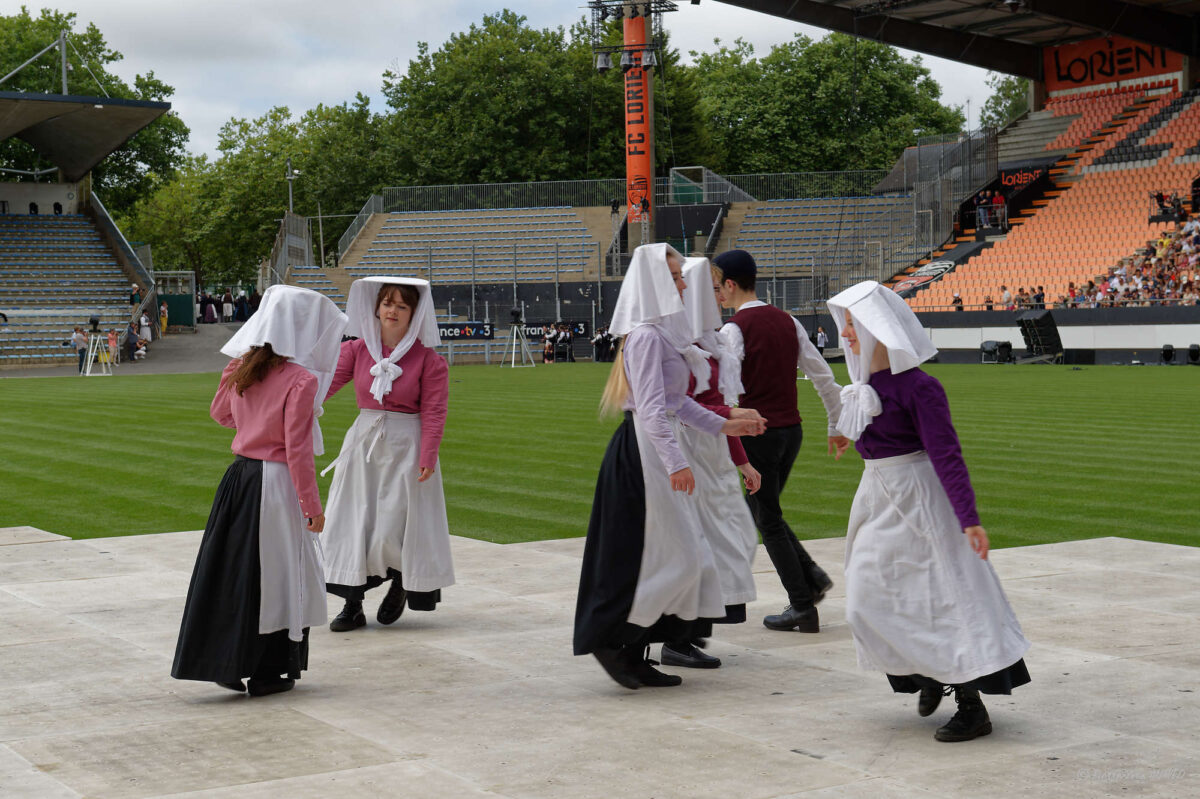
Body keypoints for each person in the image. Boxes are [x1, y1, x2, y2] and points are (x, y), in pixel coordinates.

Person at [827, 280, 1030, 743]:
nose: (846, 335)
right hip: (877, 497)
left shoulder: (921, 387)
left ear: (877, 327)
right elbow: (868, 432)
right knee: (865, 600)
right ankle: (927, 673)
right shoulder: (864, 386)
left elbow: (946, 454)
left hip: (920, 500)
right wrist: (845, 435)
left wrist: (968, 518)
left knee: (943, 596)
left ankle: (971, 706)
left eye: (853, 326)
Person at [573, 243, 764, 689]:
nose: (683, 284)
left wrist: (724, 425)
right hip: (645, 454)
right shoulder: (645, 337)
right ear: (656, 282)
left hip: (655, 449)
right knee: (663, 554)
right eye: (675, 277)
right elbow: (652, 410)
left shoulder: (664, 336)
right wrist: (677, 463)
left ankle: (635, 649)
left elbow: (678, 403)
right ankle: (617, 644)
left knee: (672, 555)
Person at [172, 285, 348, 696]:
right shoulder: (300, 380)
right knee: (279, 575)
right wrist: (313, 506)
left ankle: (227, 659)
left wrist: (252, 421)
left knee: (234, 569)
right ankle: (268, 670)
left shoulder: (241, 366)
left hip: (241, 478)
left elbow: (220, 414)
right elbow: (297, 450)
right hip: (277, 484)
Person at [712, 249, 847, 633]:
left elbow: (727, 388)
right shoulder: (789, 321)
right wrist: (835, 426)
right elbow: (823, 376)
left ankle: (803, 603)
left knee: (766, 518)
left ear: (731, 284)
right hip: (791, 432)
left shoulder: (733, 330)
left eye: (718, 287)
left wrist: (721, 423)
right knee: (762, 511)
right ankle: (811, 579)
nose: (717, 294)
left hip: (759, 433)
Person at [321, 277, 454, 632]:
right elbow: (323, 386)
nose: (392, 310)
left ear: (414, 313)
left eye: (402, 305)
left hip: (407, 445)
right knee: (353, 520)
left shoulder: (428, 360)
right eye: (387, 303)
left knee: (394, 523)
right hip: (364, 442)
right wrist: (292, 401)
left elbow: (434, 411)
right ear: (376, 308)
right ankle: (352, 605)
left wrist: (428, 455)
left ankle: (401, 578)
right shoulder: (356, 350)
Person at [660, 256, 765, 670]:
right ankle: (678, 637)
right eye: (712, 289)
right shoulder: (681, 344)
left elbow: (718, 404)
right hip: (693, 449)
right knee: (699, 544)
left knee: (723, 542)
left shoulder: (711, 340)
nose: (718, 296)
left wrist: (741, 460)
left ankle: (689, 633)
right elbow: (688, 407)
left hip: (712, 448)